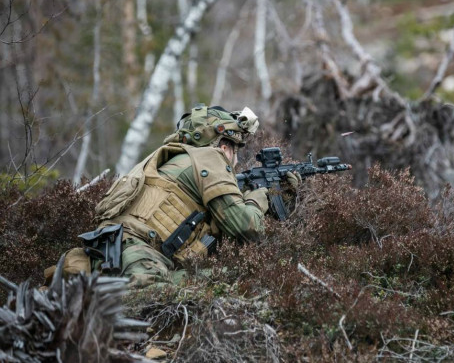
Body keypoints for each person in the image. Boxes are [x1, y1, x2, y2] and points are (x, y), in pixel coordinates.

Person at [51, 105, 299, 287]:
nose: (235, 162)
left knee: (219, 278)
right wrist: (259, 198)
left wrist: (281, 195)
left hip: (110, 252)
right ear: (225, 147)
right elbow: (248, 228)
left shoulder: (171, 158)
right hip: (139, 257)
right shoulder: (209, 158)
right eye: (236, 152)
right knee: (166, 304)